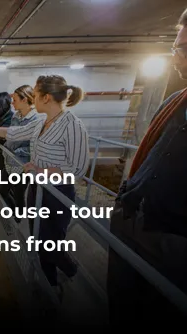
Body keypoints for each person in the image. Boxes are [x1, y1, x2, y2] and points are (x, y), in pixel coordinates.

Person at [106, 8, 187, 327]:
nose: (176, 58)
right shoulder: (176, 101)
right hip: (135, 222)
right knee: (124, 307)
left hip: (173, 241)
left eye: (181, 49)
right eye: (176, 48)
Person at [0, 75, 89, 292]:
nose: (32, 98)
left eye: (35, 94)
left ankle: (72, 270)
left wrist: (41, 170)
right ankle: (51, 284)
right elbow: (13, 132)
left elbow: (78, 168)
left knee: (49, 241)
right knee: (39, 238)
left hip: (57, 193)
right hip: (38, 189)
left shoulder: (72, 125)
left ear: (46, 97)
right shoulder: (42, 122)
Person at [0, 85, 38, 215]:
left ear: (25, 100)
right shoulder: (16, 116)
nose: (12, 103)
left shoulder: (36, 119)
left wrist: (17, 152)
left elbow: (35, 147)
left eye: (15, 100)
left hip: (22, 164)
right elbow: (11, 135)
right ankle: (13, 215)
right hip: (9, 160)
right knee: (2, 191)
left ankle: (18, 219)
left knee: (19, 195)